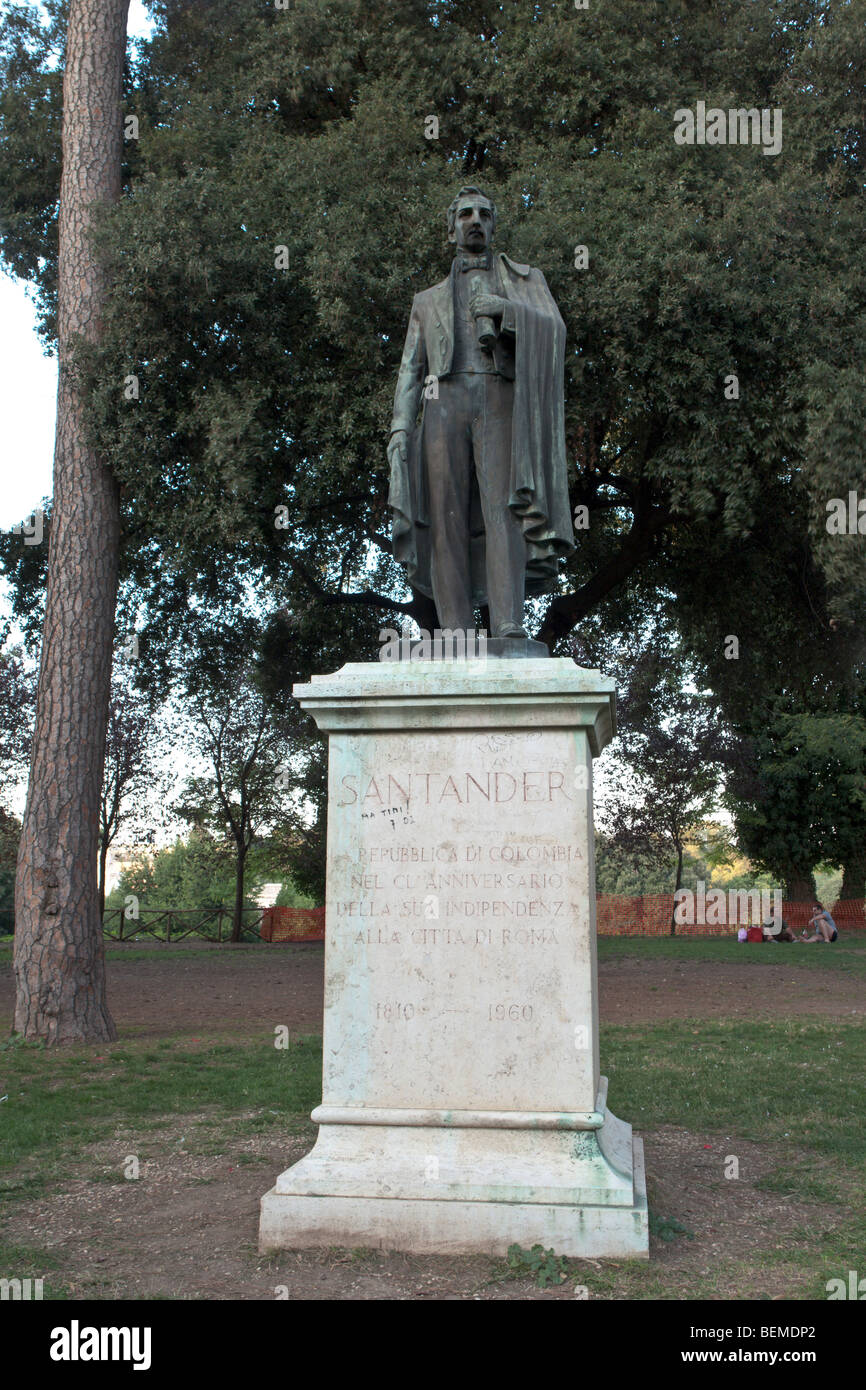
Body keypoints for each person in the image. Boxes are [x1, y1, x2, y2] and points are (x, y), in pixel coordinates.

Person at [388, 186, 575, 648]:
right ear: (451, 226)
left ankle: (508, 623)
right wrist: (398, 428)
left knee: (505, 510)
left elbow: (555, 330)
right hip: (441, 402)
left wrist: (506, 312)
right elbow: (411, 370)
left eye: (484, 215)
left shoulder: (523, 282)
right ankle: (454, 630)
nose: (475, 221)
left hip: (498, 398)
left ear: (493, 225)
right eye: (466, 214)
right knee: (445, 515)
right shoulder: (426, 300)